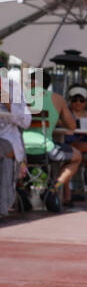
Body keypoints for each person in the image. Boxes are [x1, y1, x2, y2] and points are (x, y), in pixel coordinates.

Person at [21, 73, 80, 213]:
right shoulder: (57, 99)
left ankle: (21, 188)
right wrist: (55, 118)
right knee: (77, 156)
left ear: (32, 82)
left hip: (20, 150)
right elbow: (72, 126)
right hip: (44, 149)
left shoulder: (21, 96)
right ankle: (53, 189)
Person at [0, 68, 32, 216]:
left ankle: (2, 206)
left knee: (5, 151)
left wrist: (8, 104)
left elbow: (26, 121)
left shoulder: (12, 89)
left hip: (7, 141)